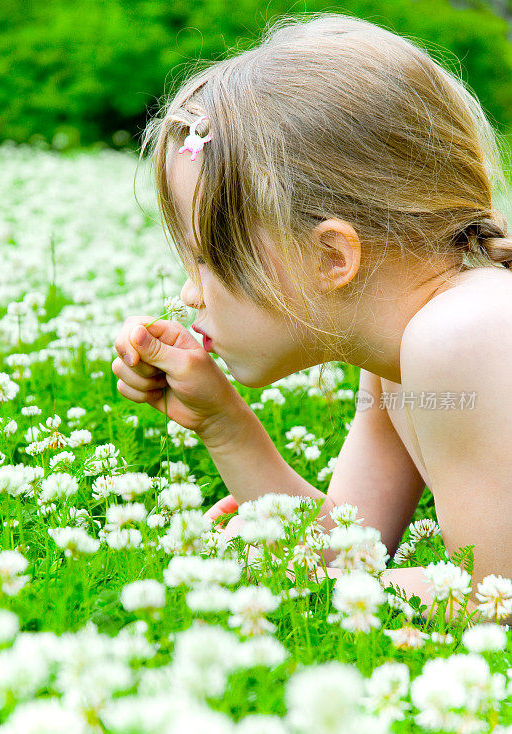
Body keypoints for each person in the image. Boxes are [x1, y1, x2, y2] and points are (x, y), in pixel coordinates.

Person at [112, 13, 512, 614]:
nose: (191, 295)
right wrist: (222, 422)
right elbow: (341, 556)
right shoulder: (397, 359)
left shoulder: (463, 335)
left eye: (207, 260)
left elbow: (493, 604)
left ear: (331, 255)